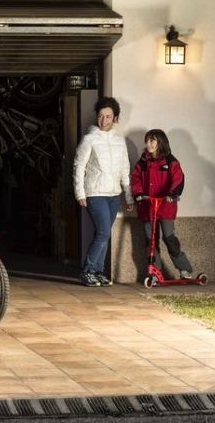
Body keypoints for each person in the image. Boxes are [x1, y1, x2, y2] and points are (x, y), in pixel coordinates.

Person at [73, 96, 132, 287]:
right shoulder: (89, 139)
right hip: (95, 193)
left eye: (108, 116)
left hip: (114, 195)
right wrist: (80, 193)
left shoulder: (119, 141)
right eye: (100, 116)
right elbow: (79, 166)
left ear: (115, 118)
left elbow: (125, 169)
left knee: (103, 233)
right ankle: (88, 271)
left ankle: (98, 272)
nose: (104, 120)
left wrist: (129, 196)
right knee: (103, 233)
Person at [131, 129, 196, 278]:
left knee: (169, 237)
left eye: (152, 140)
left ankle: (184, 268)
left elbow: (178, 178)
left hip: (165, 207)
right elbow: (135, 179)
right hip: (148, 207)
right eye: (147, 141)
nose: (148, 144)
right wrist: (139, 193)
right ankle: (155, 271)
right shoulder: (143, 162)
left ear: (160, 142)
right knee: (151, 241)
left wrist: (172, 194)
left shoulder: (170, 161)